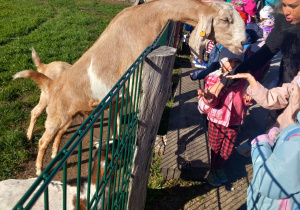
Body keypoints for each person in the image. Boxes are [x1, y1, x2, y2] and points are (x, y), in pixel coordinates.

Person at [197, 48, 253, 186]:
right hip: (217, 120)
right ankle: (212, 170)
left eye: (237, 61)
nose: (233, 65)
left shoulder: (242, 79)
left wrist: (248, 98)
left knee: (227, 150)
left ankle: (219, 167)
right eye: (230, 61)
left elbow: (246, 99)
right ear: (222, 61)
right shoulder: (213, 78)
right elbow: (213, 101)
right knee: (215, 148)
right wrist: (208, 97)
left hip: (234, 121)